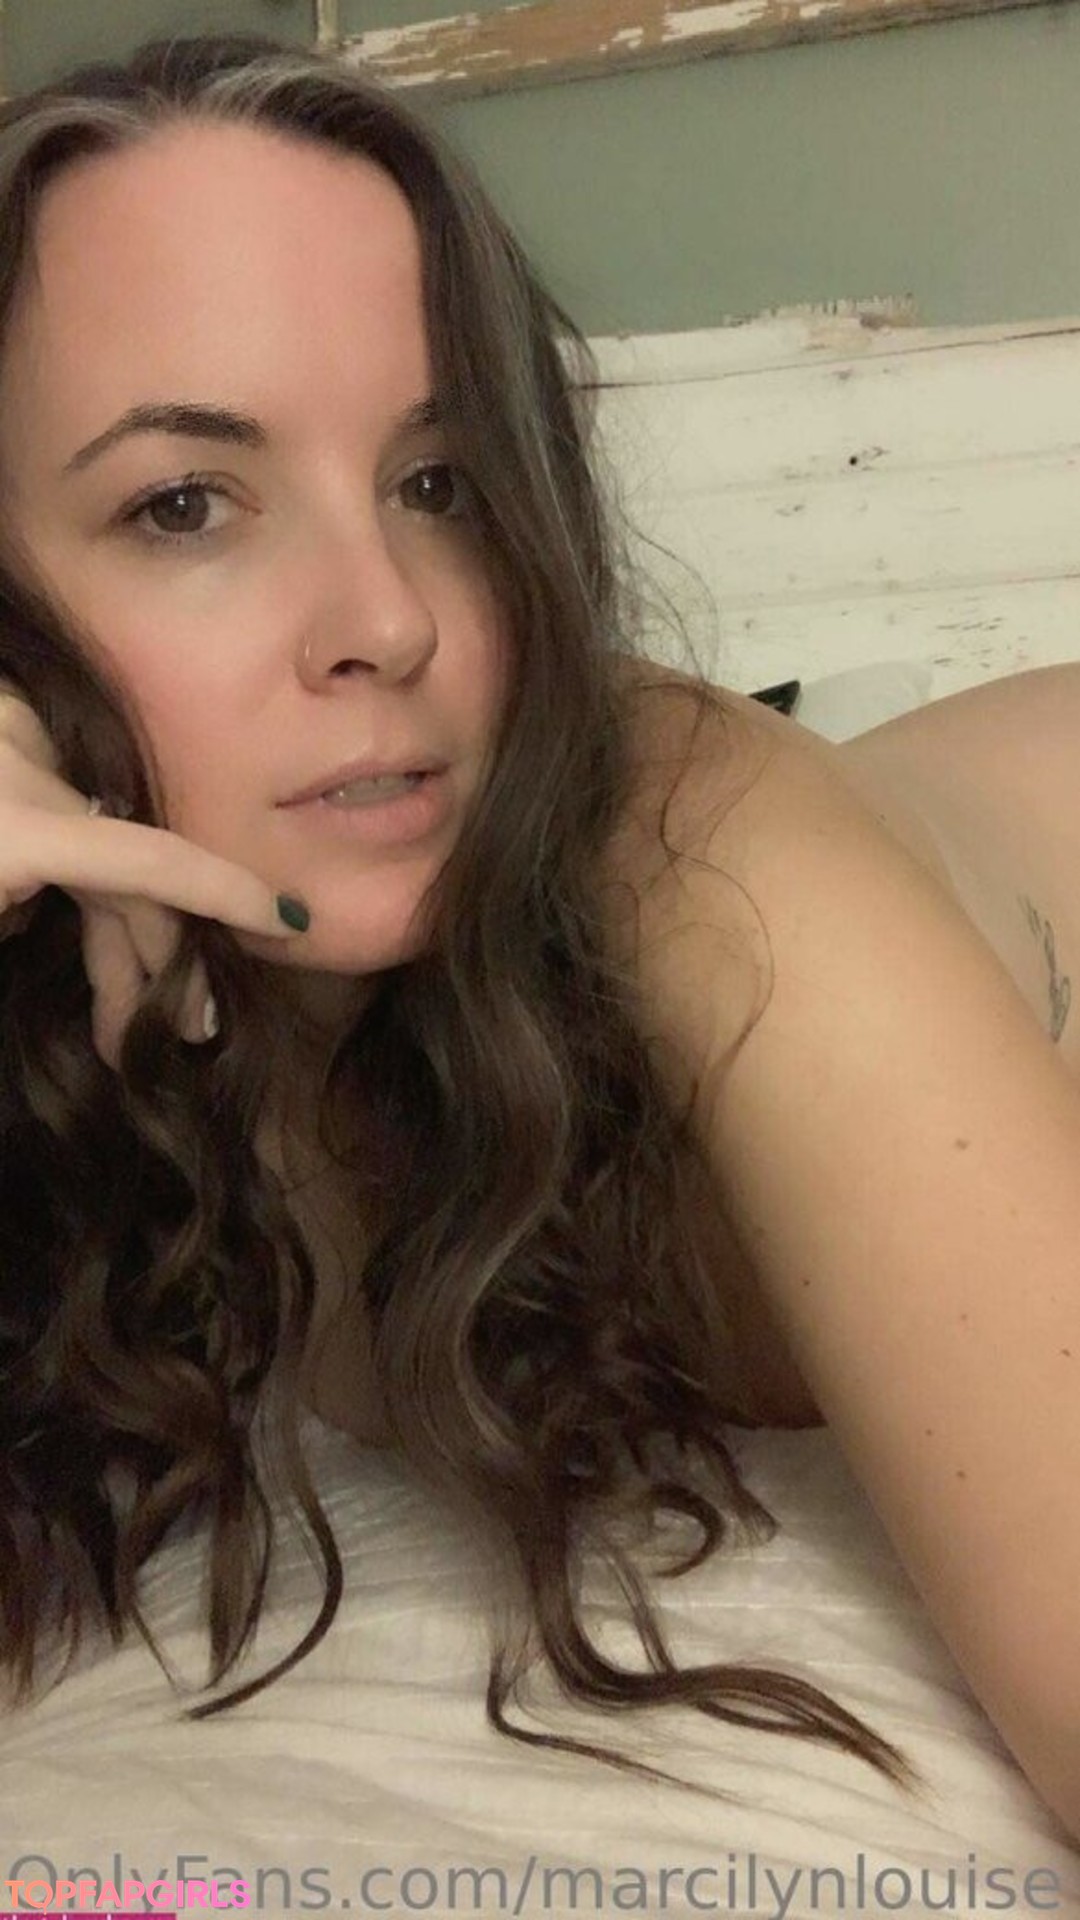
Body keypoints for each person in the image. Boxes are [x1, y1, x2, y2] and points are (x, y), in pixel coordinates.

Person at [0, 30, 1078, 1844]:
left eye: (439, 482)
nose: (386, 620)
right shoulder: (94, 988)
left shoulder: (699, 856)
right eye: (185, 503)